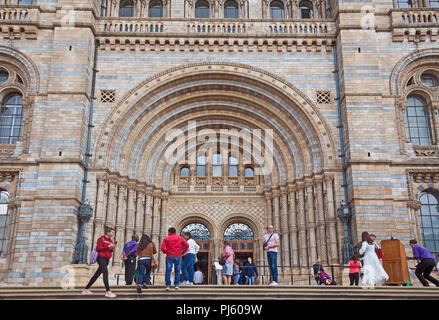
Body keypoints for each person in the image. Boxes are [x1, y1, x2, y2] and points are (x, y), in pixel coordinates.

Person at [82, 227, 117, 298]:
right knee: (105, 272)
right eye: (112, 232)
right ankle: (108, 291)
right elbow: (98, 248)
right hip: (101, 258)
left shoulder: (110, 241)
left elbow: (109, 250)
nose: (113, 234)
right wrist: (108, 246)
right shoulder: (101, 239)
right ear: (107, 232)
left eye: (113, 232)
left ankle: (86, 289)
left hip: (107, 259)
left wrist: (112, 248)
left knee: (97, 274)